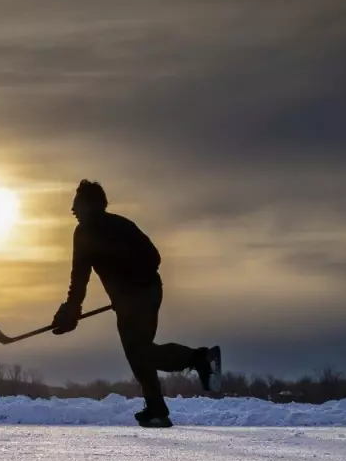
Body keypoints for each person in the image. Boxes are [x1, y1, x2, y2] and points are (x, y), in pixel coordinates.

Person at [51, 179, 221, 428]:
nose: (72, 209)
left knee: (140, 351)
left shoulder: (85, 231)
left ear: (88, 205)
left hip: (137, 298)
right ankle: (156, 409)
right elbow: (154, 257)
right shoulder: (122, 224)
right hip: (147, 294)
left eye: (76, 203)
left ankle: (200, 358)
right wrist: (72, 310)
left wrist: (73, 309)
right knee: (138, 351)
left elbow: (80, 277)